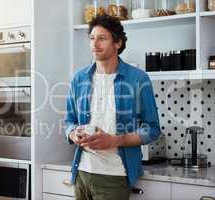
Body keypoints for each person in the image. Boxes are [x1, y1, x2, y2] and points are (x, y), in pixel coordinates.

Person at [65, 14, 161, 200]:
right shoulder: (79, 78)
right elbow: (69, 120)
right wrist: (73, 134)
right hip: (81, 173)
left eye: (102, 38)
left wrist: (114, 141)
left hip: (115, 175)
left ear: (117, 43)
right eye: (92, 38)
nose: (95, 44)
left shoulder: (138, 79)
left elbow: (152, 129)